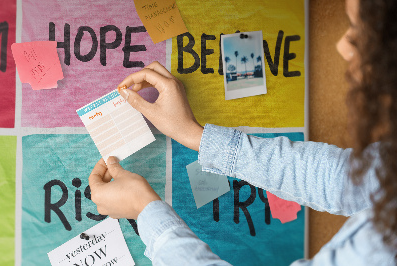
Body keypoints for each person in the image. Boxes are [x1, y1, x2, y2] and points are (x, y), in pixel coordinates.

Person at [88, 0, 397, 264]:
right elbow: (342, 178)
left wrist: (145, 211)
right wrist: (193, 134)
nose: (343, 47)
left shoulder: (382, 247)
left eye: (361, 31)